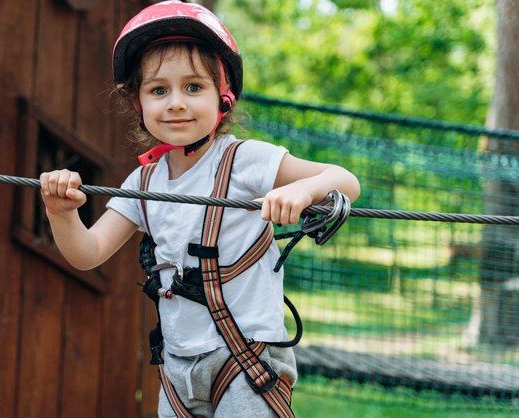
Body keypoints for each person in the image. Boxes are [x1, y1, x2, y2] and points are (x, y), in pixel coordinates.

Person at [39, 1, 360, 417]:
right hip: (177, 371)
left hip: (247, 361)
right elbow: (87, 253)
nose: (175, 103)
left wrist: (304, 191)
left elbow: (346, 179)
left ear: (223, 97)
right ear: (138, 103)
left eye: (193, 87)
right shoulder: (143, 184)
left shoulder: (246, 161)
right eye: (158, 90)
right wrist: (61, 213)